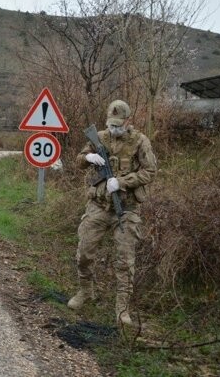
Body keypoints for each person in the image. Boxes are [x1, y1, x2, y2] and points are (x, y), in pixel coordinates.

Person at [67, 99, 157, 326]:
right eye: (111, 124)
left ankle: (122, 309)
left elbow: (150, 171)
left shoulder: (140, 141)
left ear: (128, 121)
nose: (114, 129)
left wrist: (123, 182)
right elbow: (78, 161)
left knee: (125, 260)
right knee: (84, 252)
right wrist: (87, 158)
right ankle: (86, 291)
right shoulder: (99, 137)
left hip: (126, 208)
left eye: (118, 125)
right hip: (98, 205)